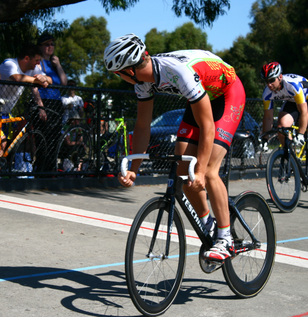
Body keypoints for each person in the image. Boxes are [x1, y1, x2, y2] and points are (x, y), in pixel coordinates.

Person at [105, 34, 246, 262]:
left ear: (128, 71)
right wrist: (134, 168)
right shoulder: (143, 82)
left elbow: (208, 126)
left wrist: (199, 170)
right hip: (203, 95)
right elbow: (142, 127)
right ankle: (208, 223)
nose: (120, 79)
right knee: (183, 170)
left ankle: (225, 238)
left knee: (208, 170)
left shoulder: (177, 72)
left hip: (228, 93)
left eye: (117, 75)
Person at [260, 62, 308, 193]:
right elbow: (268, 117)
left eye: (271, 80)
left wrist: (301, 134)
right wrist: (265, 138)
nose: (269, 84)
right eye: (266, 81)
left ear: (279, 77)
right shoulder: (267, 92)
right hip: (292, 101)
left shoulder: (292, 85)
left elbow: (304, 112)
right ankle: (290, 156)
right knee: (281, 127)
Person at [0, 43, 50, 156]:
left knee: (3, 145)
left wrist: (44, 78)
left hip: (6, 111)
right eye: (36, 60)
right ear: (26, 58)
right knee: (1, 141)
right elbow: (17, 78)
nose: (38, 63)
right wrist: (38, 81)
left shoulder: (31, 69)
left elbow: (49, 80)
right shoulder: (10, 64)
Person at [36, 32, 68, 171]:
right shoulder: (38, 62)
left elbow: (64, 83)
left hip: (56, 102)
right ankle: (41, 169)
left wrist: (59, 65)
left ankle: (51, 169)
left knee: (55, 139)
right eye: (46, 44)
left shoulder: (54, 64)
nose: (50, 46)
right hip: (44, 101)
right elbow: (35, 84)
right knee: (44, 139)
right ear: (40, 47)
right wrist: (40, 106)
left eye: (52, 44)